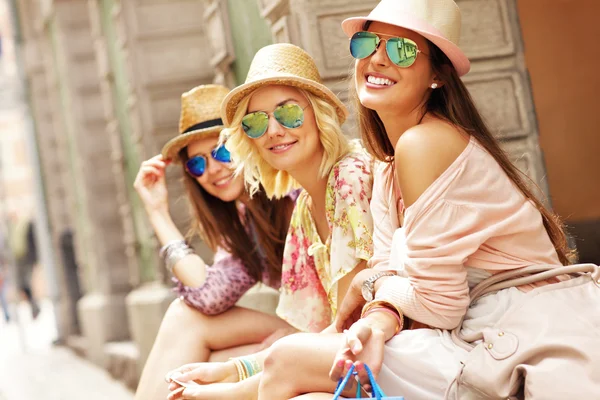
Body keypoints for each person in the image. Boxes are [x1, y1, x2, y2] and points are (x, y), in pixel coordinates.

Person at [253, 0, 580, 399]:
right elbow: (387, 271)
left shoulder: (426, 143)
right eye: (367, 43)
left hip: (517, 337)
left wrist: (367, 286)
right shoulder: (388, 164)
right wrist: (376, 315)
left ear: (438, 76)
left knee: (285, 360)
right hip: (474, 334)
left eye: (401, 50)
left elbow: (437, 303)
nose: (377, 59)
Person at [165, 43, 374, 400]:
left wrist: (226, 389)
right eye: (257, 121)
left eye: (289, 113)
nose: (274, 130)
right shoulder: (306, 210)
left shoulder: (349, 179)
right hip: (344, 357)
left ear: (319, 112)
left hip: (390, 354)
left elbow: (346, 333)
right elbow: (318, 332)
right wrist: (232, 370)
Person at [133, 84, 297, 400]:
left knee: (188, 327)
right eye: (197, 164)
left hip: (343, 331)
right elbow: (209, 296)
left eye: (222, 151)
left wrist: (298, 333)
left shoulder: (293, 192)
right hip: (304, 331)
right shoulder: (244, 224)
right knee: (198, 364)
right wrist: (157, 214)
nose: (213, 170)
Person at [8, 217, 40, 319]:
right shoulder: (10, 226)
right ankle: (33, 306)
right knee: (20, 285)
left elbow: (32, 242)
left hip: (26, 259)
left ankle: (34, 308)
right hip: (16, 260)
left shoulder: (26, 224)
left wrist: (34, 259)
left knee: (26, 283)